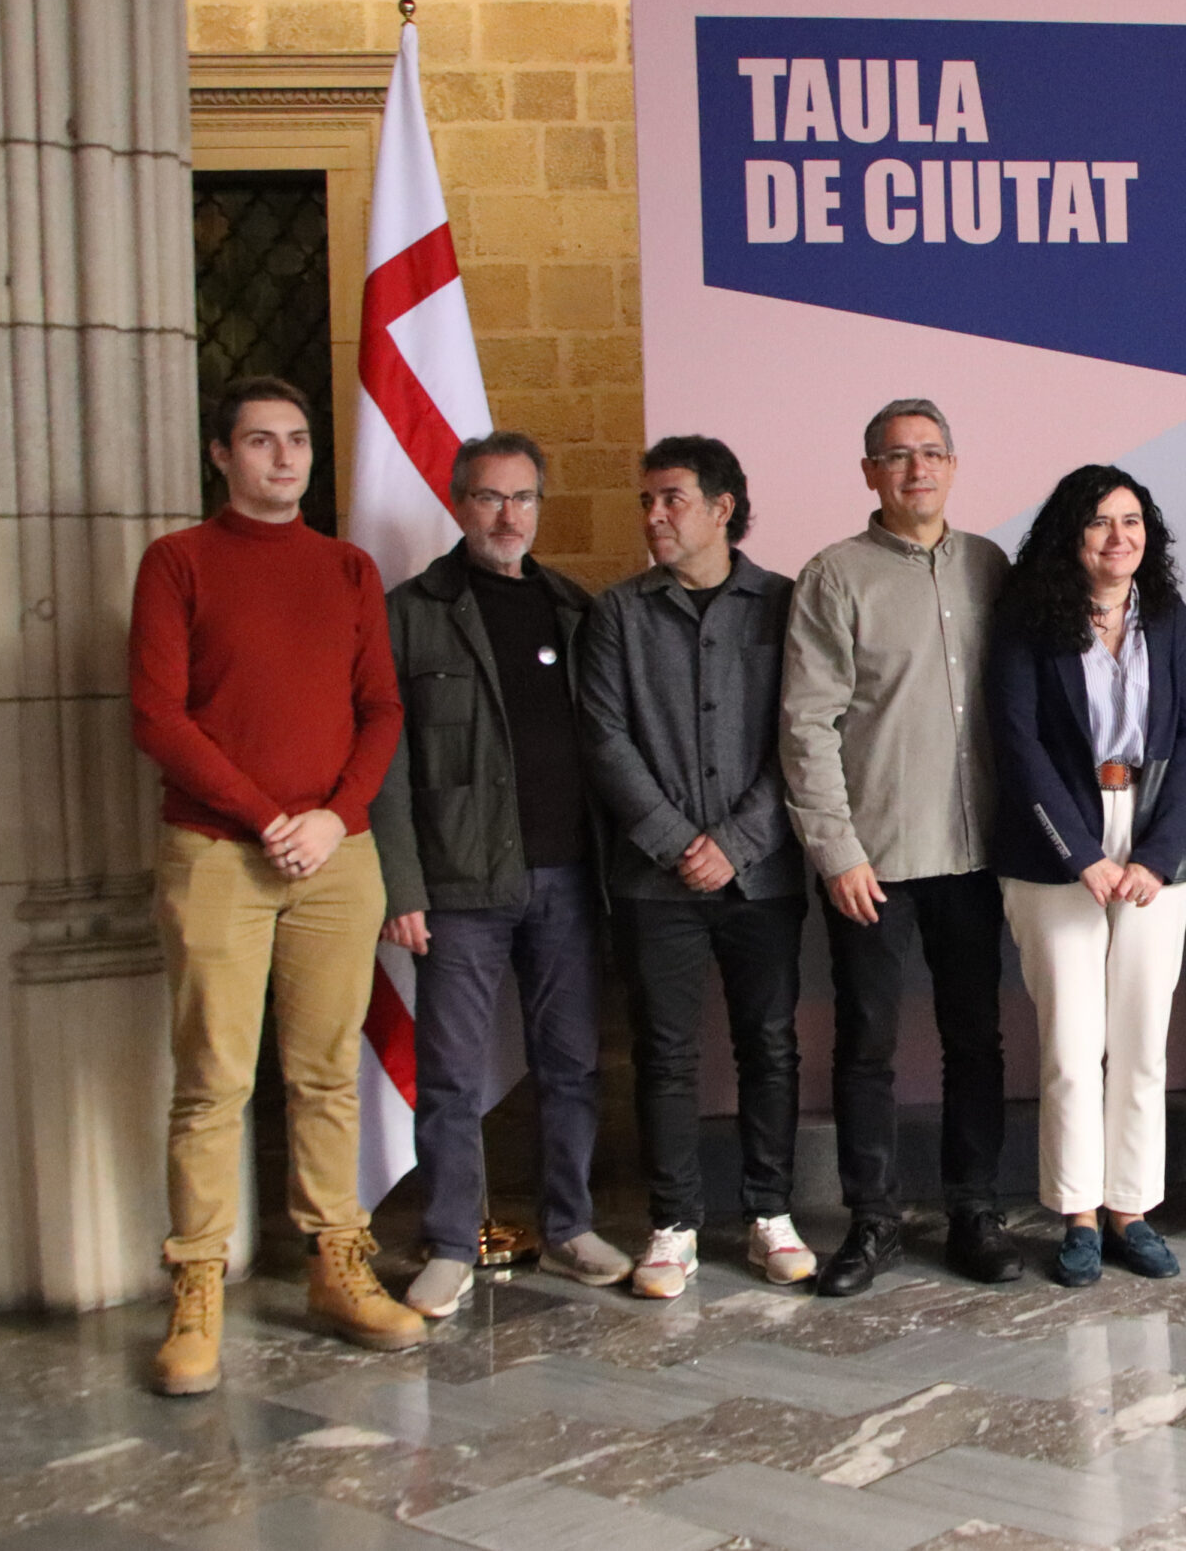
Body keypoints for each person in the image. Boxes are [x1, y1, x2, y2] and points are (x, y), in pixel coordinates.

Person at [129, 376, 423, 1395]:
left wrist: (335, 816)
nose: (285, 457)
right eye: (261, 441)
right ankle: (197, 1288)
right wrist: (267, 818)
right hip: (219, 851)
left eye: (296, 439)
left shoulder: (347, 569)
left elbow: (381, 709)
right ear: (222, 454)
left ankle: (337, 1261)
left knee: (326, 1071)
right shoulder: (178, 562)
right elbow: (157, 716)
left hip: (337, 854)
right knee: (213, 1078)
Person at [373, 432, 633, 1319]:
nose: (507, 515)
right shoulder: (411, 613)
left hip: (568, 879)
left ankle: (569, 1226)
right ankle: (450, 1242)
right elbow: (386, 764)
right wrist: (402, 886)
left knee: (572, 1065)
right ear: (459, 504)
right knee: (450, 1074)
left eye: (523, 498)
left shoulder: (572, 608)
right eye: (489, 497)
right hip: (458, 887)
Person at [780, 399, 1018, 1296]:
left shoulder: (991, 566)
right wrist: (836, 850)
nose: (917, 469)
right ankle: (873, 1220)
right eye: (897, 455)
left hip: (975, 852)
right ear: (870, 472)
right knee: (867, 1044)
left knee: (976, 1041)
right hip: (872, 860)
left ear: (952, 465)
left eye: (931, 452)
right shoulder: (834, 576)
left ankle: (975, 1211)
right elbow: (807, 724)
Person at [579, 435, 813, 1297]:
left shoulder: (784, 604)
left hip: (763, 874)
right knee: (665, 1053)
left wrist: (738, 842)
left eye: (671, 498)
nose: (654, 516)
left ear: (722, 508)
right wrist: (680, 842)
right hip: (655, 880)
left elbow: (803, 732)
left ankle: (770, 1214)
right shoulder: (617, 614)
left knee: (770, 1045)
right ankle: (673, 1224)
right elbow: (605, 738)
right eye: (646, 501)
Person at [988, 466, 1186, 1287]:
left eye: (1132, 521)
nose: (1119, 537)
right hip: (1058, 845)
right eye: (1099, 522)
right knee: (1073, 1046)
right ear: (1069, 535)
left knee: (1142, 1039)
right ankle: (1078, 1214)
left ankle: (1131, 1209)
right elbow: (1017, 743)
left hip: (1154, 840)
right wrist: (1080, 853)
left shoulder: (1170, 618)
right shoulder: (1028, 619)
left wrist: (1158, 853)